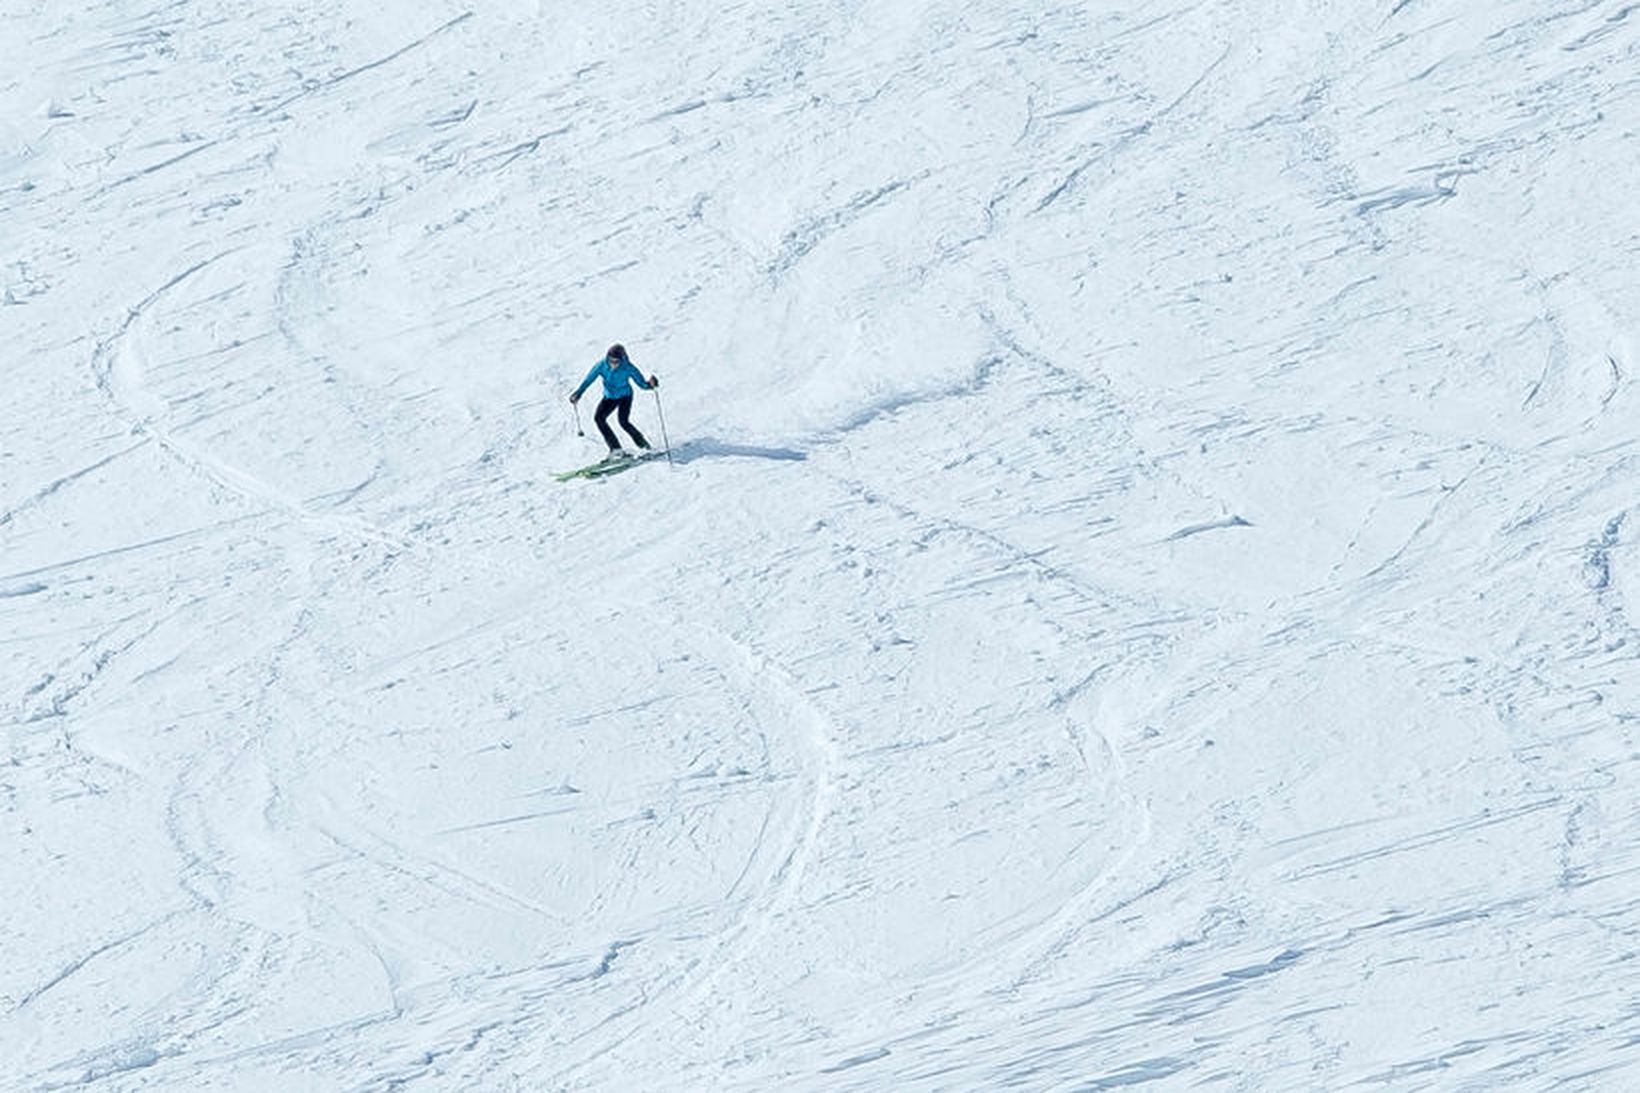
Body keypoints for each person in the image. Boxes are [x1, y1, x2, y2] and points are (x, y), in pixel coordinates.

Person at [569, 344, 660, 456]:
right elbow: (589, 380)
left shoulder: (628, 367)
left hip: (625, 396)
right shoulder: (601, 365)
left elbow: (641, 384)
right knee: (599, 418)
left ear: (622, 359)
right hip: (610, 397)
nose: (613, 364)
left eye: (616, 361)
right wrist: (578, 393)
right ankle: (616, 449)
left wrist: (651, 385)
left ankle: (644, 445)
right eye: (611, 360)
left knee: (623, 422)